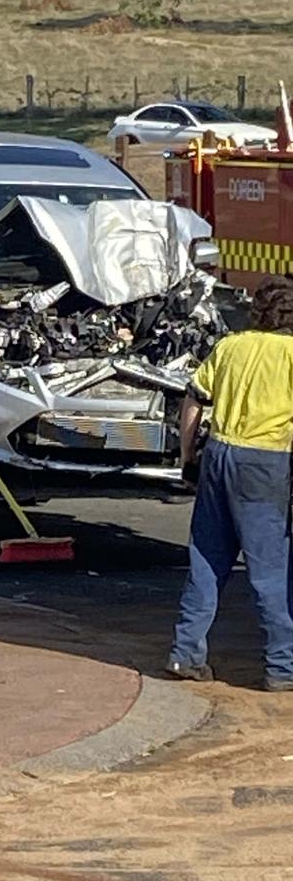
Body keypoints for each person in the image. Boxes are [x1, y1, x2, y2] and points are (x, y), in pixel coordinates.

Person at [168, 275, 293, 691]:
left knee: (207, 559)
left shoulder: (230, 346)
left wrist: (188, 459)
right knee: (269, 569)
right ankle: (281, 667)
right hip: (267, 462)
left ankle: (186, 653)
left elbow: (192, 400)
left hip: (219, 455)